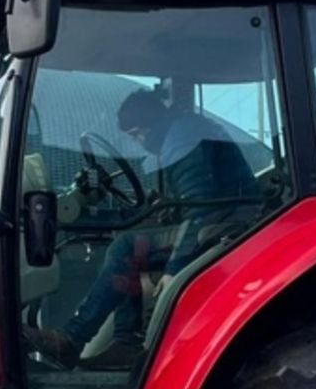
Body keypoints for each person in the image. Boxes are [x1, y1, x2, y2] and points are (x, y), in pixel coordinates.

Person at [32, 88, 263, 370]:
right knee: (128, 238)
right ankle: (123, 342)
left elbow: (202, 206)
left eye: (135, 136)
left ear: (145, 127)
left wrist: (175, 267)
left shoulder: (183, 138)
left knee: (127, 246)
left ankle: (78, 339)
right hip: (224, 216)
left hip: (225, 224)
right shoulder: (180, 132)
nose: (138, 144)